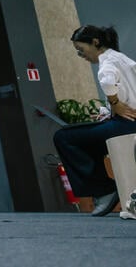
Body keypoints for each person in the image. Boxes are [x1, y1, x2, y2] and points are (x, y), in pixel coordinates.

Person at [53, 24, 136, 217]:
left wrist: (115, 104)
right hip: (126, 121)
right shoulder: (121, 58)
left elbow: (107, 81)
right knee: (89, 141)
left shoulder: (106, 62)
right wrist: (110, 111)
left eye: (81, 50)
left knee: (64, 137)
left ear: (95, 42)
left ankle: (104, 190)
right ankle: (105, 188)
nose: (81, 56)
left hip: (128, 125)